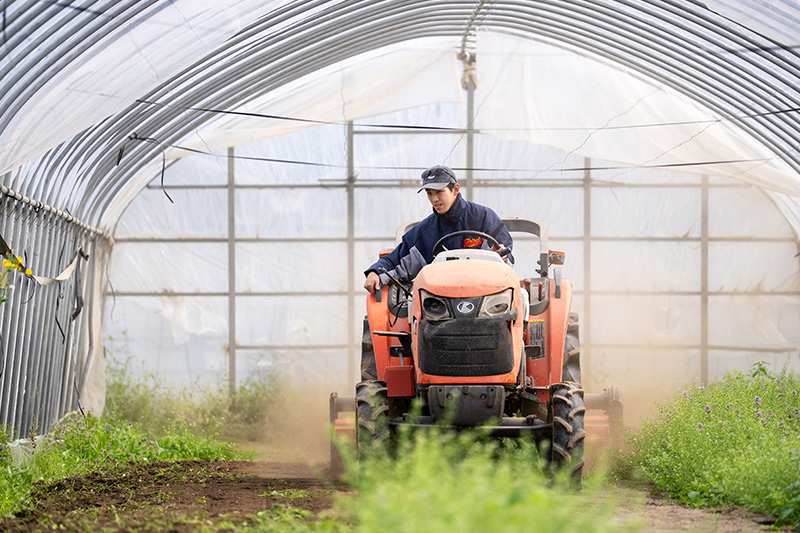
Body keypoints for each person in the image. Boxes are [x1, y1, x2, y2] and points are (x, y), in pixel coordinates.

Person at [364, 165, 513, 293]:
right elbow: (396, 260)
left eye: (439, 192)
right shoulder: (423, 232)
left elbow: (507, 257)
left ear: (455, 189)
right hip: (439, 304)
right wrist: (375, 272)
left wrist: (501, 256)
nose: (434, 199)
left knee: (523, 299)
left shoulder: (484, 218)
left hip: (486, 293)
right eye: (429, 193)